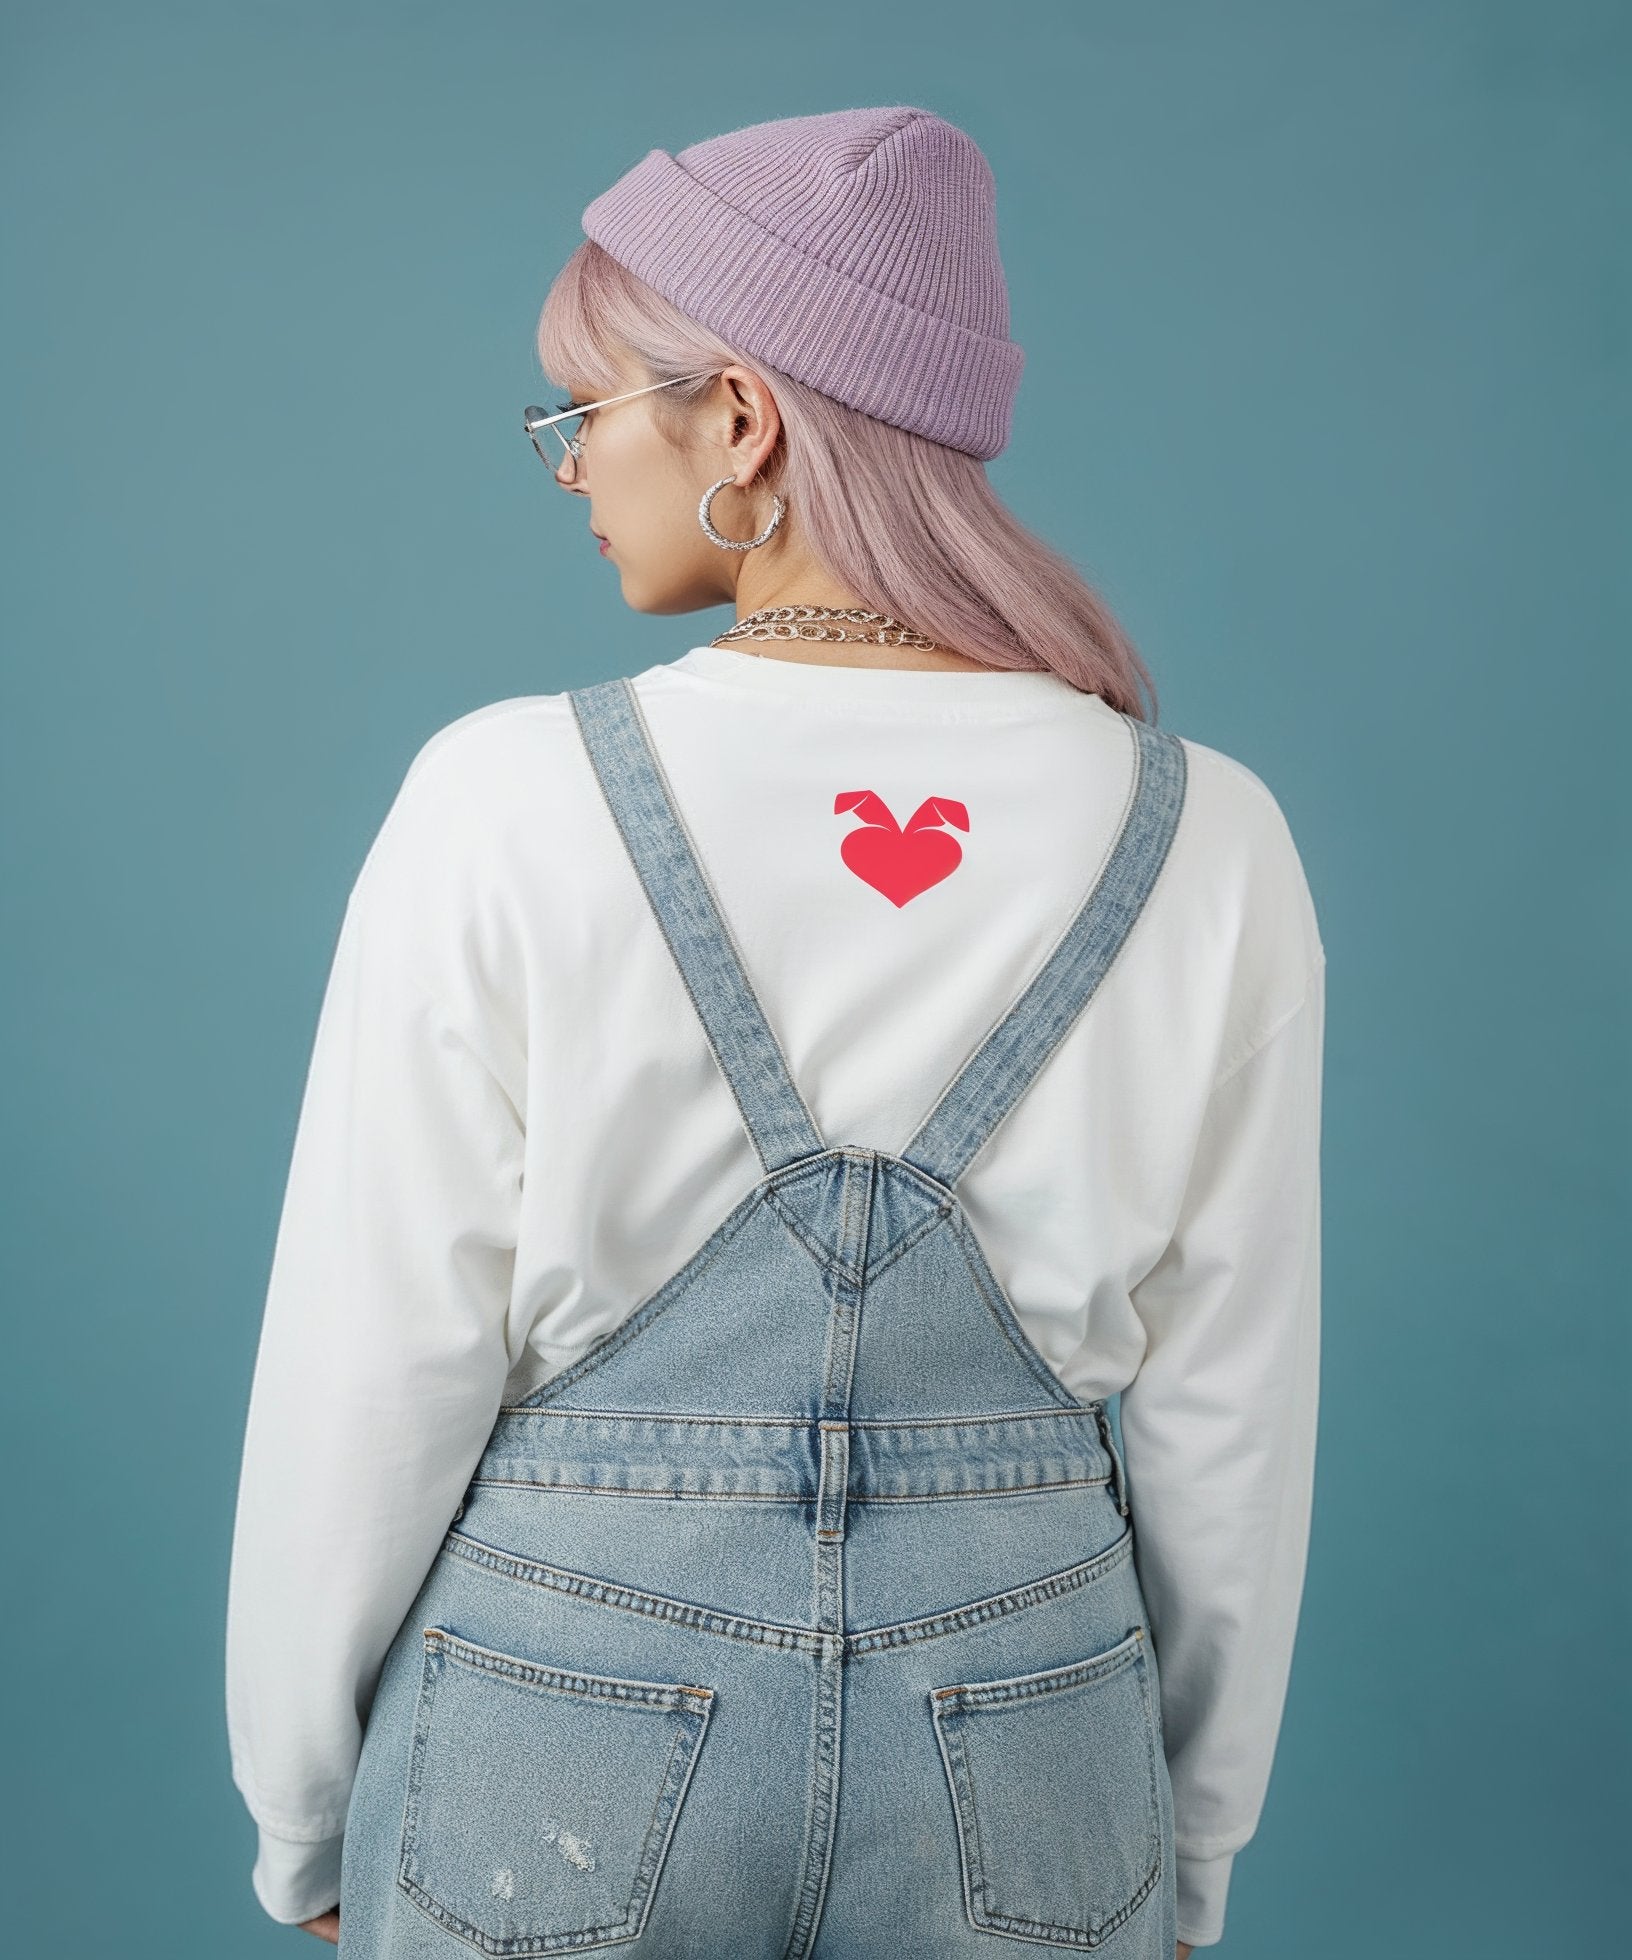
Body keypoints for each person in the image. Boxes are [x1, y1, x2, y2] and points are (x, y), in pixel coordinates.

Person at [225, 105, 1324, 1958]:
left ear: (738, 419)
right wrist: (1177, 1845)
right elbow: (1233, 1417)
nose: (567, 467)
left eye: (583, 412)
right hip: (1039, 1740)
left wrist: (305, 1818)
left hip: (555, 1727)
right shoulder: (1205, 827)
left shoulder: (504, 796)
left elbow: (374, 1352)